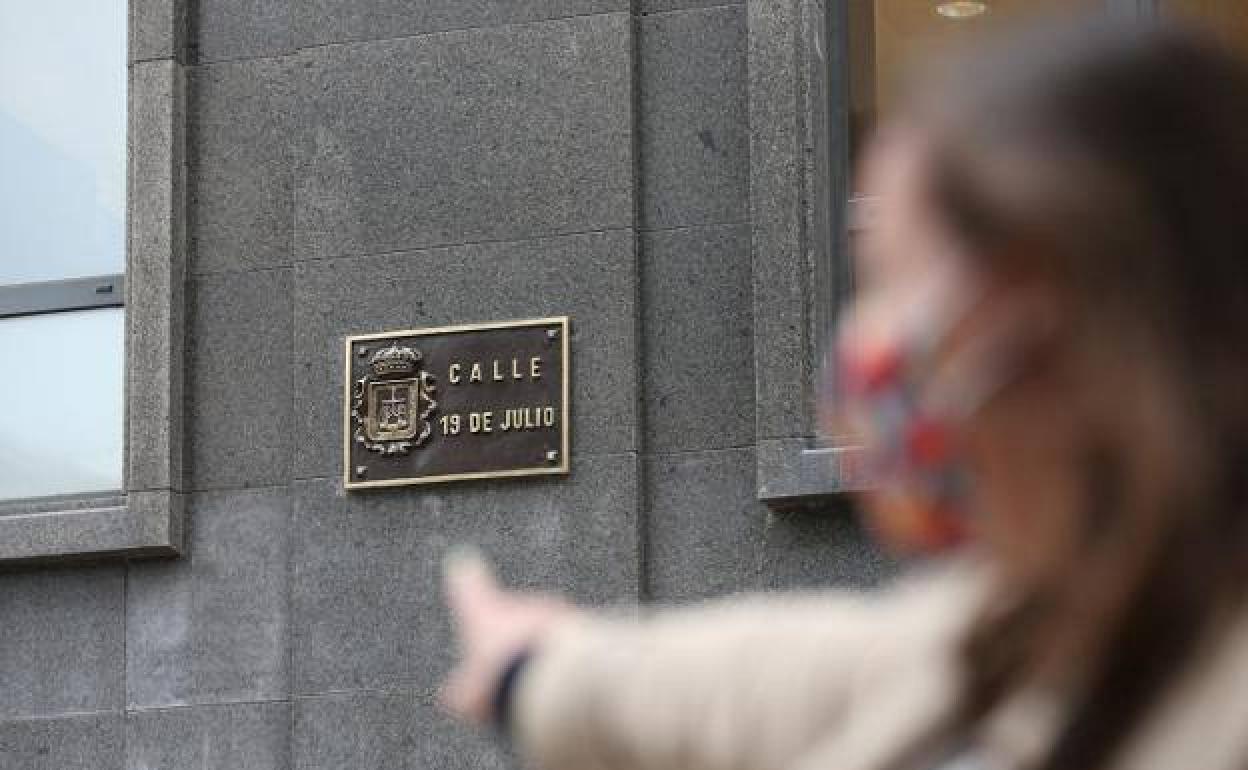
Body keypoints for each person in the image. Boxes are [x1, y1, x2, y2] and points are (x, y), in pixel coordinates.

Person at [442, 17, 1248, 770]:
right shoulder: (1049, 616)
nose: (863, 346)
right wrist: (535, 669)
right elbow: (776, 677)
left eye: (890, 280)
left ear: (1039, 314)